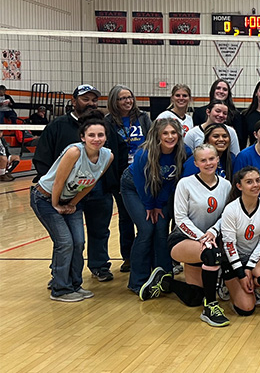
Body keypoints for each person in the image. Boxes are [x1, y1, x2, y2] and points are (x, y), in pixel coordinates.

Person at [139, 144, 233, 327]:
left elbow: (226, 216)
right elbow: (180, 219)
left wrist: (212, 232)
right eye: (203, 160)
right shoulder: (185, 184)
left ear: (217, 160)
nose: (208, 163)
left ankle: (165, 281)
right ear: (196, 163)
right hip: (184, 240)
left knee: (194, 297)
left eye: (211, 159)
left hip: (209, 240)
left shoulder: (226, 185)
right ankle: (211, 308)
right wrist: (203, 238)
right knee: (212, 255)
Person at [34, 84, 119, 283]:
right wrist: (58, 196)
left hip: (95, 189)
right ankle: (60, 277)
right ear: (73, 102)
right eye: (85, 99)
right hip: (61, 192)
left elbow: (111, 157)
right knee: (66, 240)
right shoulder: (58, 126)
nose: (90, 103)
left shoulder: (104, 127)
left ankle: (98, 266)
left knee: (96, 232)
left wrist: (110, 185)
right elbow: (43, 157)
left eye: (94, 99)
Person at [123, 118, 188, 296]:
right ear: (157, 135)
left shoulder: (183, 151)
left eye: (173, 132)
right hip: (135, 189)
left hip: (160, 193)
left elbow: (173, 182)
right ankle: (137, 281)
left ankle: (163, 278)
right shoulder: (144, 154)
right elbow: (141, 184)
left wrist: (159, 204)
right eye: (165, 133)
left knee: (161, 230)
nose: (170, 136)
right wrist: (150, 206)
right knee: (146, 229)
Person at [219, 167, 260, 319]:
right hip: (233, 261)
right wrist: (240, 273)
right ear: (239, 186)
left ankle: (251, 286)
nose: (255, 185)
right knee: (246, 309)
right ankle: (226, 283)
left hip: (254, 257)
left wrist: (249, 268)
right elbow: (229, 246)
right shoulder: (231, 210)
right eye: (249, 182)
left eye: (258, 181)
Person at [105, 85, 152, 272]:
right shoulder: (108, 122)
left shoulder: (143, 118)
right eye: (122, 98)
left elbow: (152, 140)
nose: (127, 101)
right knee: (125, 217)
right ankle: (128, 257)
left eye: (129, 97)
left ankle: (146, 254)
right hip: (122, 175)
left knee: (147, 215)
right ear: (114, 101)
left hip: (144, 172)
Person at [192, 79, 245, 148]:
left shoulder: (236, 115)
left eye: (225, 89)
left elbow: (240, 140)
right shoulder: (199, 112)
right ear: (208, 112)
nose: (221, 91)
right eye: (218, 88)